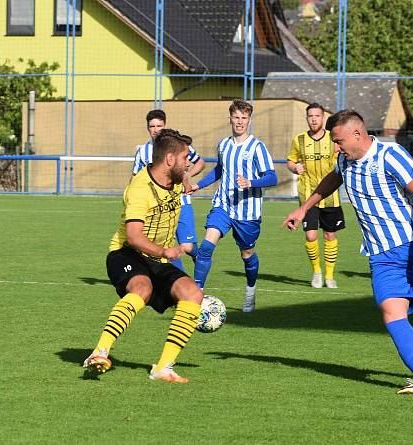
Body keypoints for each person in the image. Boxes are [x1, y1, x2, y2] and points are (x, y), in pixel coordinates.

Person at [282, 110, 413, 395]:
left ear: (357, 134)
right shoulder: (346, 159)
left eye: (339, 141)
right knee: (392, 313)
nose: (336, 148)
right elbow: (334, 178)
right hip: (381, 256)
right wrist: (304, 207)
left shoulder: (389, 155)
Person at [83, 128, 203, 383]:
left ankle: (163, 368)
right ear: (169, 159)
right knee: (142, 288)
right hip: (126, 252)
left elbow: (185, 179)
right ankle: (99, 352)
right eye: (184, 159)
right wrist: (164, 251)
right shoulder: (140, 188)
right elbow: (134, 236)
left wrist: (188, 179)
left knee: (193, 294)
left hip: (157, 258)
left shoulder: (174, 179)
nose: (188, 164)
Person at [188, 99, 277, 312]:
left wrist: (250, 183)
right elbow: (220, 170)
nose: (240, 121)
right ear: (230, 118)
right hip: (223, 205)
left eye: (244, 118)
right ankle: (195, 297)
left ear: (249, 120)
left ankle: (250, 290)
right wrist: (198, 185)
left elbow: (272, 177)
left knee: (247, 254)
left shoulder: (257, 147)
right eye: (236, 117)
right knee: (206, 247)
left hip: (248, 211)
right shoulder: (224, 144)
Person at [132, 109, 205, 272]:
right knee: (165, 247)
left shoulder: (179, 147)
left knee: (188, 247)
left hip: (181, 202)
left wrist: (187, 175)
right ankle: (182, 282)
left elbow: (200, 162)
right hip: (158, 207)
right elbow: (135, 178)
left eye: (159, 125)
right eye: (152, 126)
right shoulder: (142, 152)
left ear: (165, 125)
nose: (156, 129)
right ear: (147, 128)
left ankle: (197, 262)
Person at [286, 103, 344, 288]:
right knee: (311, 236)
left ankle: (329, 276)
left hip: (331, 196)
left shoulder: (333, 139)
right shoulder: (299, 140)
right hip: (307, 196)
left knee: (329, 236)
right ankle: (317, 273)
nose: (313, 119)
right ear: (307, 118)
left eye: (317, 116)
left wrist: (340, 152)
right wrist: (294, 167)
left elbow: (343, 158)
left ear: (323, 117)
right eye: (310, 116)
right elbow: (290, 160)